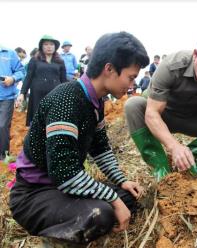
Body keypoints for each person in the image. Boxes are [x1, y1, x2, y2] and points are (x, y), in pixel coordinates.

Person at [9, 31, 149, 245]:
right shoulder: (66, 101)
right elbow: (65, 174)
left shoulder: (95, 102)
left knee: (129, 197)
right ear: (109, 69)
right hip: (33, 195)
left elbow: (100, 148)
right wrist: (112, 199)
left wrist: (122, 181)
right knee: (101, 213)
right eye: (130, 77)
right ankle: (55, 239)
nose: (132, 85)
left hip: (61, 186)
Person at [125, 31, 197, 188]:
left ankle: (190, 158)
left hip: (194, 118)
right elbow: (152, 113)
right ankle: (161, 168)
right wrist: (174, 146)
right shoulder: (171, 66)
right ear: (196, 54)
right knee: (133, 105)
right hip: (163, 116)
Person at [16, 35, 67, 127]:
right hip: (37, 96)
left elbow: (64, 80)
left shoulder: (60, 61)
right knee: (37, 121)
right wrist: (22, 93)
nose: (49, 47)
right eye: (46, 44)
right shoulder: (35, 60)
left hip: (55, 95)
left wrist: (67, 95)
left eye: (51, 44)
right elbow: (28, 77)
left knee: (53, 120)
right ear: (41, 47)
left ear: (55, 47)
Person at [0, 45, 25, 159]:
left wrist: (12, 79)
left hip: (6, 96)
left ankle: (3, 155)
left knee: (2, 125)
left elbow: (21, 71)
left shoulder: (9, 53)